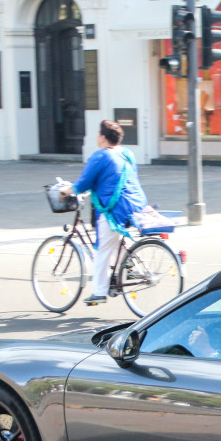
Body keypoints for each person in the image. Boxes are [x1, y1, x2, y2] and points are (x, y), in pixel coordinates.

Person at [60, 119, 150, 305]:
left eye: (97, 134)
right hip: (136, 205)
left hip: (114, 209)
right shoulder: (127, 153)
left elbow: (83, 183)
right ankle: (135, 266)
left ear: (102, 138)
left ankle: (99, 292)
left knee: (103, 250)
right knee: (117, 240)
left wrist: (65, 192)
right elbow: (113, 178)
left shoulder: (100, 156)